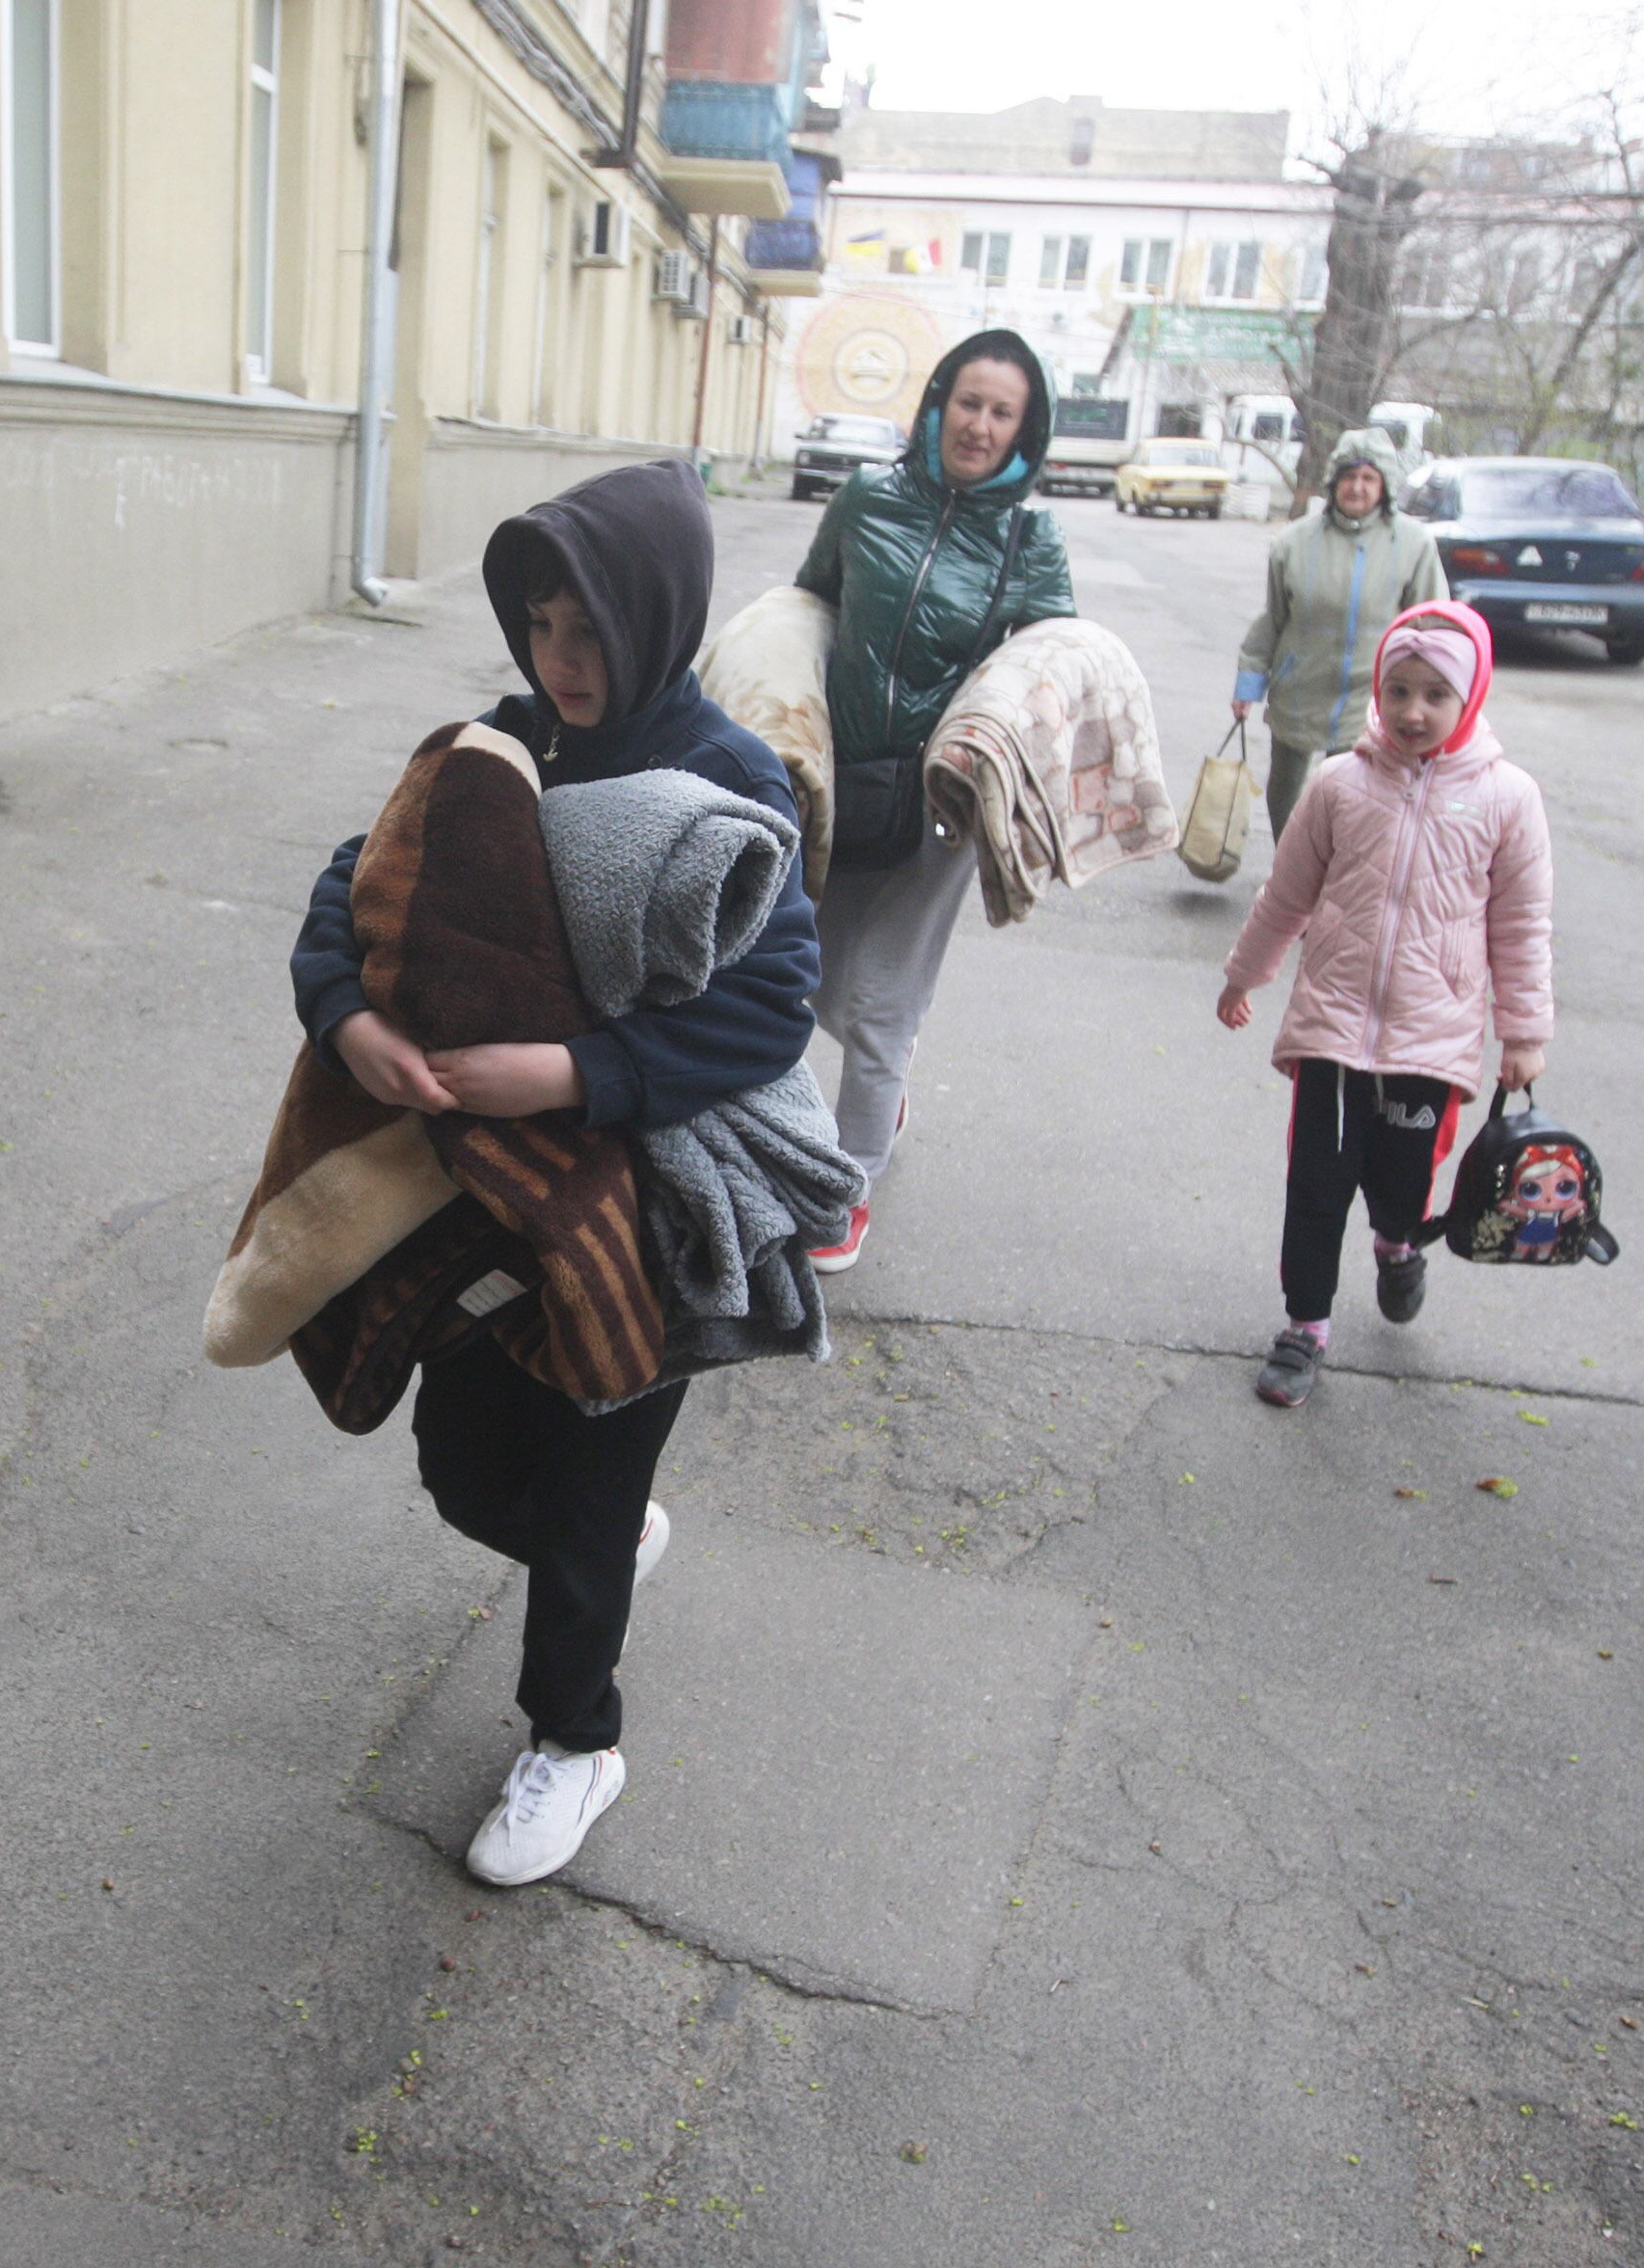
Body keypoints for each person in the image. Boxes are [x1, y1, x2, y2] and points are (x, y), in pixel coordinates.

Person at [289, 461, 818, 1886]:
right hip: (488, 1209)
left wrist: (575, 1076)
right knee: (464, 1472)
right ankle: (608, 1544)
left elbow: (774, 1007)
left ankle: (574, 1744)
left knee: (584, 1497)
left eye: (589, 631)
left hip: (641, 1221)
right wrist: (352, 1017)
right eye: (539, 626)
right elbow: (357, 886)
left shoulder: (727, 777)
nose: (560, 662)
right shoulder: (500, 746)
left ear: (654, 620)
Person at [1215, 601, 1553, 1409]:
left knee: (1403, 1185)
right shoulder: (1339, 783)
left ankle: (1399, 1245)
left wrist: (1524, 1033)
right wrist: (1245, 974)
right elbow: (1286, 893)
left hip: (1429, 1040)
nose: (1411, 711)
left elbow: (1522, 923)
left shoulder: (1508, 798)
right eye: (1397, 689)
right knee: (1317, 1187)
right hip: (1331, 1028)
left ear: (1469, 699)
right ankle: (1305, 1326)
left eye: (1435, 695)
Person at [790, 330, 1074, 1273]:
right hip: (839, 780)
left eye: (1003, 413)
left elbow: (1049, 672)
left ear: (1024, 431)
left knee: (876, 1003)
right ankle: (890, 1079)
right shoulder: (866, 500)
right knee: (809, 976)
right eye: (969, 402)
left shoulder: (1031, 542)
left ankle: (844, 1184)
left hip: (939, 806)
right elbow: (811, 612)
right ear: (937, 401)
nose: (980, 426)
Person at [1231, 427, 1445, 838]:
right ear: (1334, 482)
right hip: (1300, 686)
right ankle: (1290, 873)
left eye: (1369, 478)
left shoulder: (1414, 545)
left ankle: (1339, 880)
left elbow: (1432, 626)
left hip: (1371, 696)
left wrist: (1435, 698)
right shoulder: (1294, 543)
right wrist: (1248, 684)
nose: (1357, 487)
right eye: (1349, 477)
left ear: (1384, 486)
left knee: (1356, 797)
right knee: (1286, 796)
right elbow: (1273, 618)